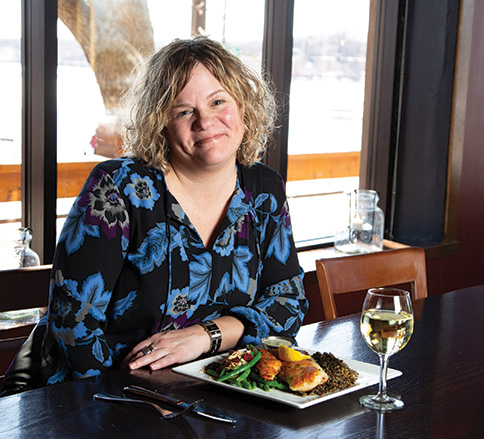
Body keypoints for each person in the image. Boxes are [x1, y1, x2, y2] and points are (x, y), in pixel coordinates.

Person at [39, 35, 308, 385]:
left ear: (244, 106)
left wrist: (206, 335)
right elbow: (72, 328)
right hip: (112, 400)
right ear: (160, 124)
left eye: (217, 101)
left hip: (222, 395)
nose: (205, 122)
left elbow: (287, 304)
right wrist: (135, 394)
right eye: (184, 111)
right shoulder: (117, 188)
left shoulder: (264, 190)